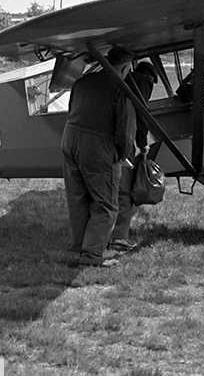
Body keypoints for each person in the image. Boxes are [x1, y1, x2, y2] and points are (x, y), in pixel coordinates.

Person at [61, 46, 136, 267]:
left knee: (78, 198)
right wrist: (121, 157)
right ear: (125, 67)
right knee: (106, 203)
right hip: (96, 146)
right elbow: (125, 132)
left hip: (70, 139)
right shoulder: (121, 90)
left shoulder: (82, 82)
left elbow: (72, 110)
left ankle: (79, 247)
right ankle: (92, 255)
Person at [110, 61, 158, 252]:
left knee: (116, 188)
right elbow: (141, 112)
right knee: (125, 189)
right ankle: (118, 237)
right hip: (125, 141)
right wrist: (142, 143)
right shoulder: (143, 82)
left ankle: (110, 233)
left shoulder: (130, 79)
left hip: (110, 139)